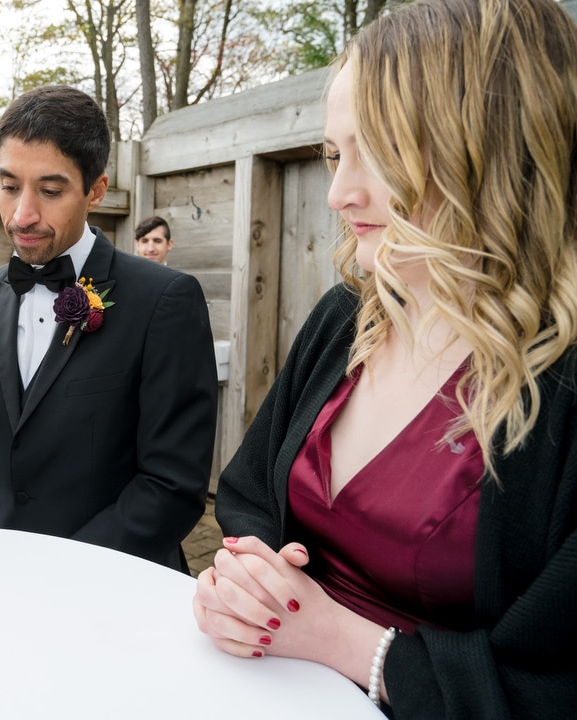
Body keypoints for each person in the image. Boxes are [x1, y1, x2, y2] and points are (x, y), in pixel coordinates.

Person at [192, 0, 577, 716]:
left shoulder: (565, 387)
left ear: (494, 152)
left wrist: (353, 646)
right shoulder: (345, 320)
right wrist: (250, 581)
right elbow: (251, 490)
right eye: (337, 155)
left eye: (385, 151)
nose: (340, 194)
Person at [0, 85, 218, 572]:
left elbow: (172, 483)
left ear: (96, 190)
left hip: (120, 587)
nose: (22, 214)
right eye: (9, 186)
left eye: (50, 191)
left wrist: (59, 572)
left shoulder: (165, 301)